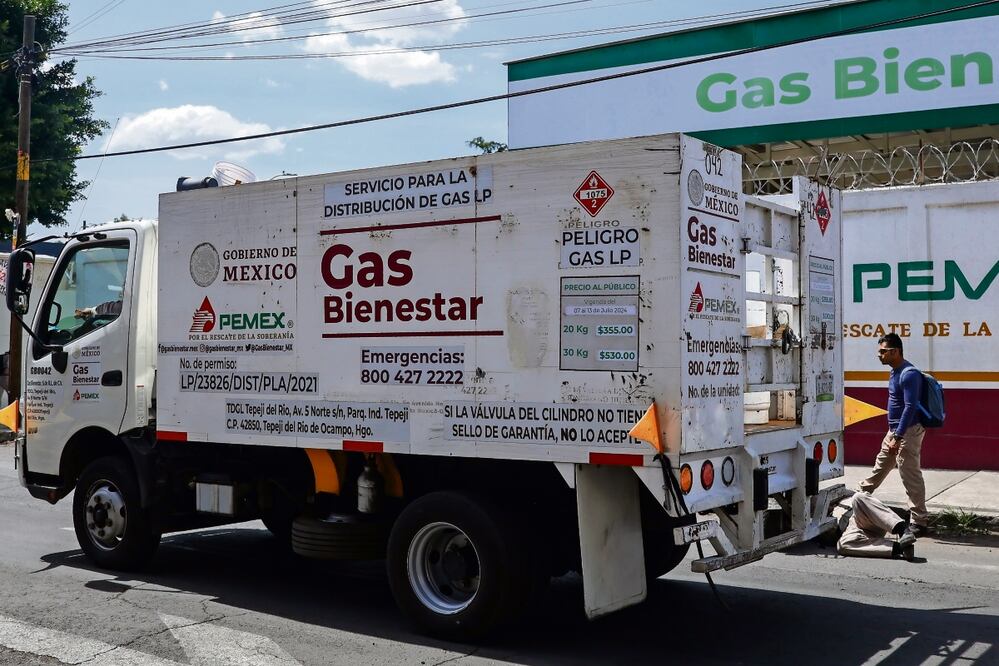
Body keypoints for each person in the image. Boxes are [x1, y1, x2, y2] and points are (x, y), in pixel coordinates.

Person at [858, 333, 929, 536]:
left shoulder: (908, 373)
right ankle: (859, 498)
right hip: (895, 431)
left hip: (907, 432)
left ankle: (920, 521)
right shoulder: (894, 371)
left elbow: (910, 407)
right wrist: (894, 434)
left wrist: (898, 437)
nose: (879, 355)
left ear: (895, 351)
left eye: (883, 351)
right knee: (880, 466)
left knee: (910, 475)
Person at [837, 492, 916, 560]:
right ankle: (900, 548)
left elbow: (858, 495)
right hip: (852, 530)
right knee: (843, 545)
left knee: (858, 497)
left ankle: (903, 530)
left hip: (863, 515)